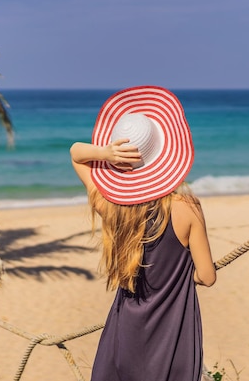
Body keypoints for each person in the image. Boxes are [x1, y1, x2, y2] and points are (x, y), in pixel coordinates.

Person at [70, 85, 216, 381]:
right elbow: (207, 276)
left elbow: (76, 154)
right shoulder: (187, 207)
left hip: (125, 335)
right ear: (166, 157)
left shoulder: (110, 207)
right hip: (171, 336)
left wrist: (105, 153)